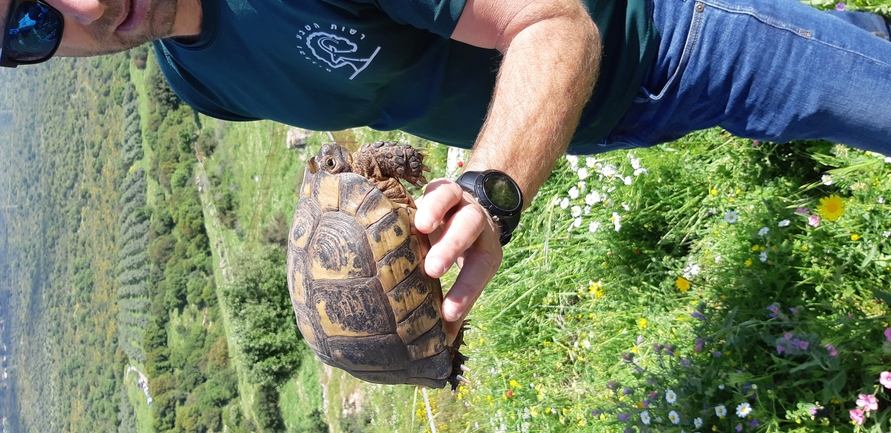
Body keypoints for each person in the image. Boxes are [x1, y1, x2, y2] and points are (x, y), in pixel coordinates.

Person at [3, 0, 889, 343]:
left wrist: (491, 189)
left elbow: (556, 25)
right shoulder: (195, 78)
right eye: (33, 22)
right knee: (857, 66)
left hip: (676, 34)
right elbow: (390, 85)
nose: (88, 7)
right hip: (593, 121)